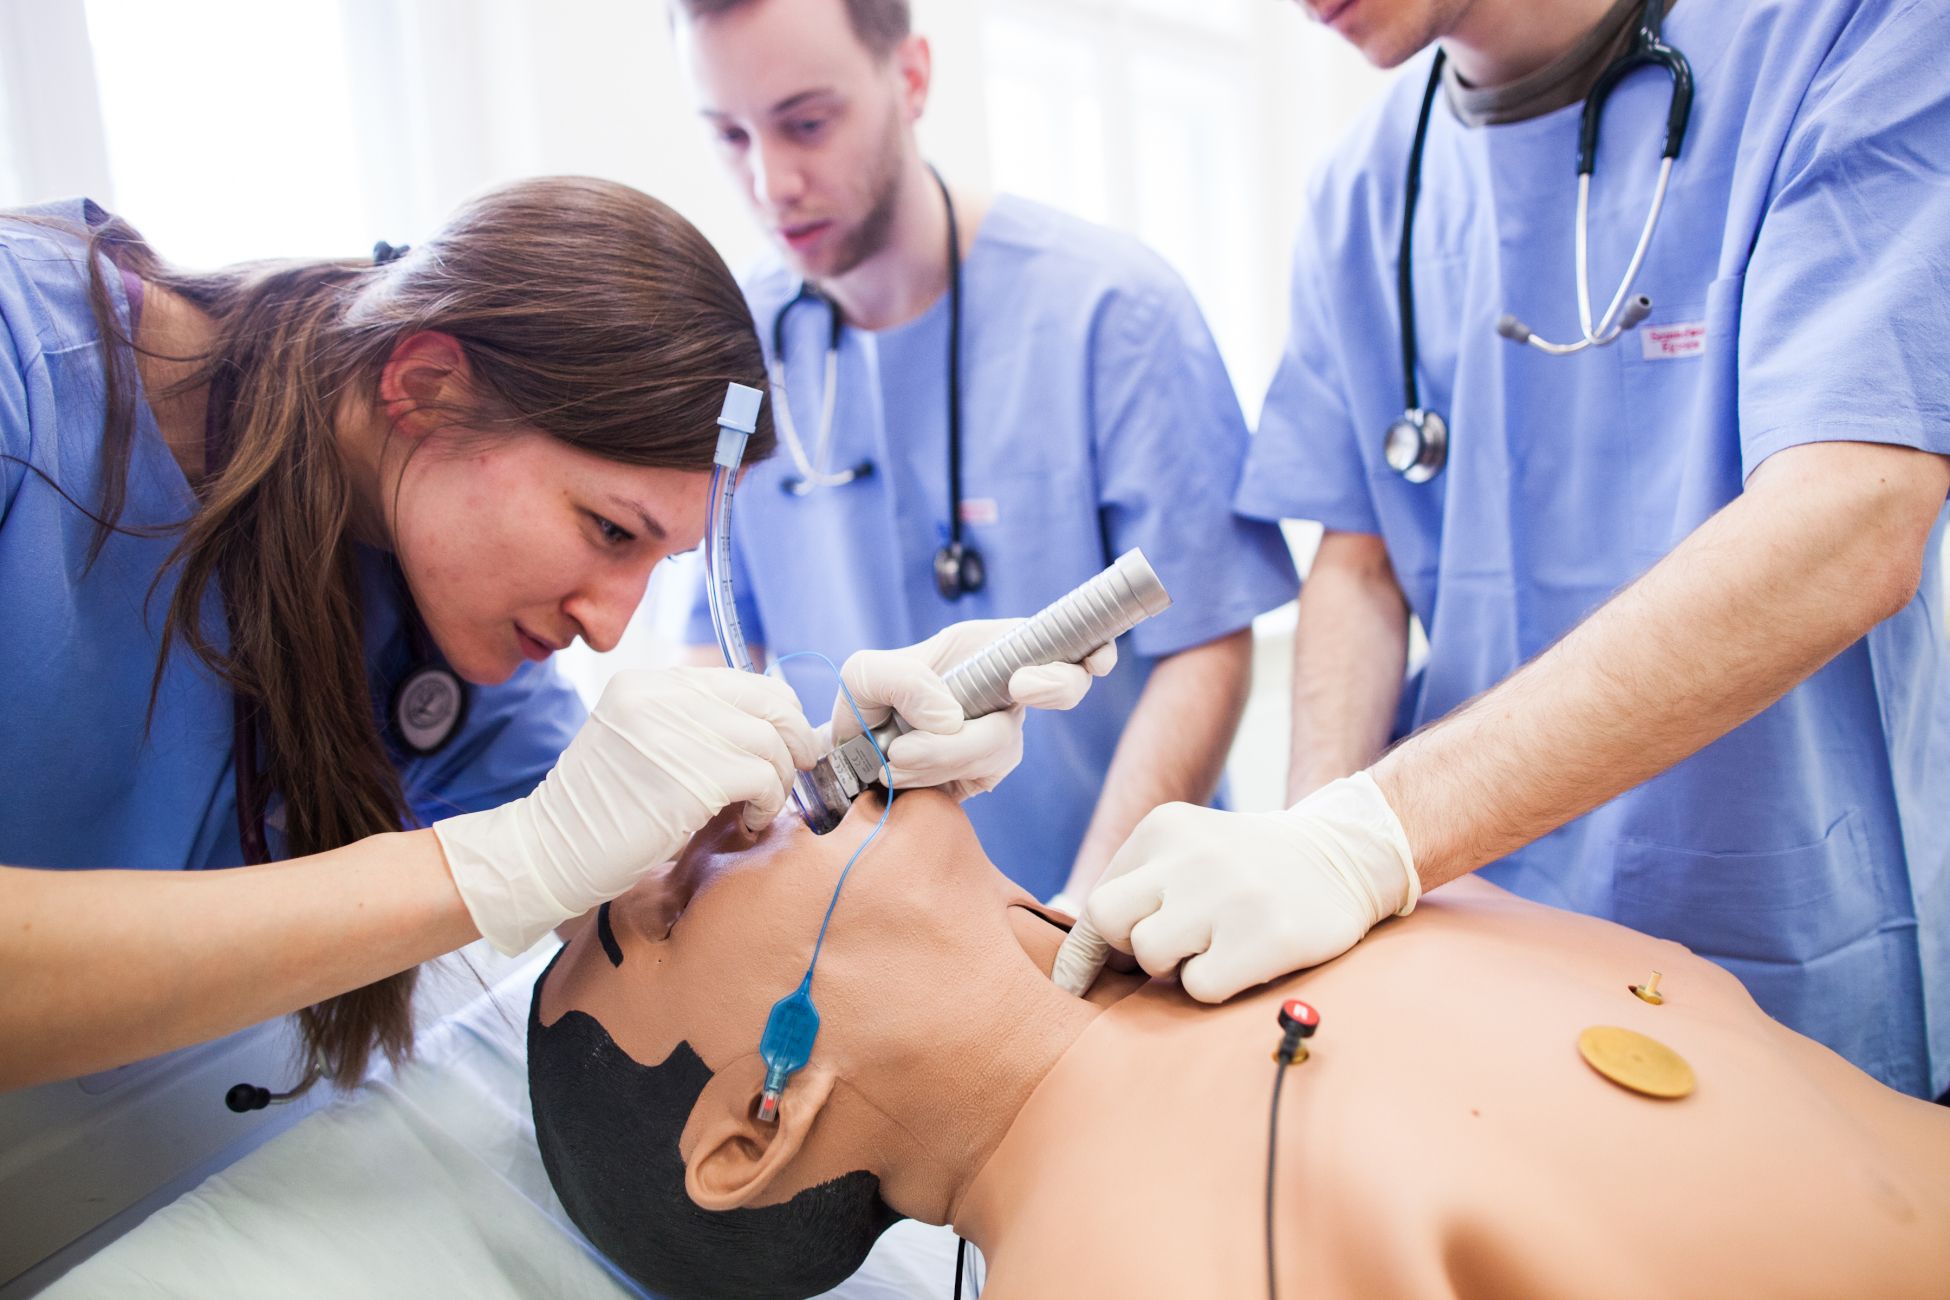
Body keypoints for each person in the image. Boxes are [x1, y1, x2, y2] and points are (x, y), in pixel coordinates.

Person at [0, 178, 1095, 1094]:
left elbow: (652, 888)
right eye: (608, 528)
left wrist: (854, 768)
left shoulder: (446, 631)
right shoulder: (26, 374)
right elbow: (535, 856)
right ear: (424, 386)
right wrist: (489, 867)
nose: (611, 626)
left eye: (656, 560)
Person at [1063, 0, 1950, 1100]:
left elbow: (1851, 524)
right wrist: (1309, 855)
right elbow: (1363, 558)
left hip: (1792, 937)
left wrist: (1369, 835)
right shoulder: (1370, 186)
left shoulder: (1849, 32)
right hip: (1470, 936)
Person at [530, 790, 1950, 1300]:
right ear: (750, 1129)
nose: (687, 835)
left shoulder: (1247, 905)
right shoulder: (1110, 1276)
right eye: (641, 922)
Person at [665, 0, 1300, 904]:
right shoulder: (742, 354)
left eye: (807, 123)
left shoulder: (1112, 313)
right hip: (859, 934)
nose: (771, 182)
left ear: (912, 78)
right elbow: (719, 643)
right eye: (729, 135)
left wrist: (1076, 929)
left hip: (1105, 910)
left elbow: (1207, 642)